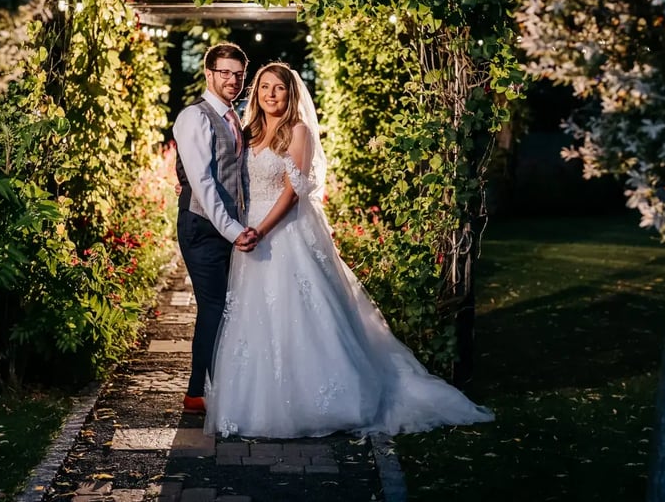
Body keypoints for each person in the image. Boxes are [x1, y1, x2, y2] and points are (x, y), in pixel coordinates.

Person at [205, 62, 495, 438]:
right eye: (264, 88)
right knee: (255, 317)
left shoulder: (298, 132)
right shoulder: (249, 132)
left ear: (291, 94)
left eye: (278, 88)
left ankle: (319, 402)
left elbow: (293, 194)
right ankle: (254, 404)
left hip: (282, 232)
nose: (270, 95)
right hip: (250, 236)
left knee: (298, 313)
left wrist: (260, 230)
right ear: (256, 94)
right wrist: (237, 228)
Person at [172, 42, 260, 415]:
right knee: (214, 305)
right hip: (203, 226)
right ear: (208, 73)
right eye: (224, 72)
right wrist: (232, 229)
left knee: (228, 307)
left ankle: (216, 386)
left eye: (239, 74)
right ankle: (197, 393)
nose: (233, 80)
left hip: (226, 226)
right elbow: (204, 183)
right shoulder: (194, 117)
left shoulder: (233, 116)